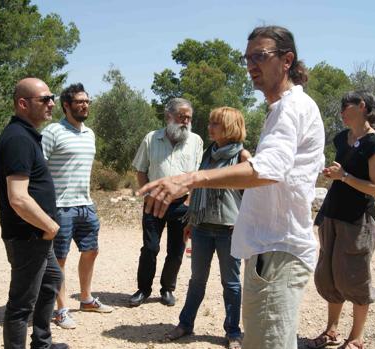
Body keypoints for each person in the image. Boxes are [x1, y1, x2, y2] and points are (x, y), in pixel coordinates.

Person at [138, 25, 325, 349]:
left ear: (287, 60)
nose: (251, 64)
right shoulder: (280, 109)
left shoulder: (290, 107)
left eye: (260, 56)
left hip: (277, 249)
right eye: (247, 57)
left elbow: (269, 168)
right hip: (266, 247)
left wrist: (190, 178)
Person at [164, 107, 251, 349]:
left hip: (229, 230)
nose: (210, 127)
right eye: (211, 122)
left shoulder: (243, 157)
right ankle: (185, 324)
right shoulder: (208, 153)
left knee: (231, 284)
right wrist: (191, 221)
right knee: (196, 280)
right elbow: (198, 188)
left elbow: (253, 198)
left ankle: (233, 332)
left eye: (216, 123)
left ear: (231, 127)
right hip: (202, 227)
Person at [307, 91, 375, 349]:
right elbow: (342, 172)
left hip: (357, 219)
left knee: (354, 277)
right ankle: (331, 331)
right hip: (332, 213)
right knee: (329, 276)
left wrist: (344, 177)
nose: (342, 111)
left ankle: (356, 337)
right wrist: (333, 174)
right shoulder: (342, 139)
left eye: (346, 106)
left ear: (362, 106)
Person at [0, 77, 68, 349]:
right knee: (22, 303)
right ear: (23, 104)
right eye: (44, 99)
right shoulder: (18, 139)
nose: (51, 103)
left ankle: (42, 343)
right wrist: (50, 226)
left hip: (38, 234)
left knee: (51, 281)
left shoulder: (26, 135)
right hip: (28, 235)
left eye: (52, 97)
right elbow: (18, 198)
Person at [41, 83, 113, 330]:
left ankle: (85, 299)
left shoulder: (89, 134)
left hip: (86, 204)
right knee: (59, 259)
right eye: (80, 102)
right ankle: (61, 309)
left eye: (87, 101)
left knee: (91, 251)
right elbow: (38, 168)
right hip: (60, 207)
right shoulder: (52, 132)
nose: (85, 105)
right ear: (66, 106)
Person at [129, 97, 203, 307]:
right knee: (150, 248)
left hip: (182, 204)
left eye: (189, 117)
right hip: (154, 202)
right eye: (182, 117)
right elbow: (141, 169)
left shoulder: (196, 141)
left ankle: (167, 289)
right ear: (168, 116)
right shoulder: (151, 138)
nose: (186, 121)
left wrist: (189, 200)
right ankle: (143, 289)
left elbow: (196, 175)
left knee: (176, 250)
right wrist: (147, 195)